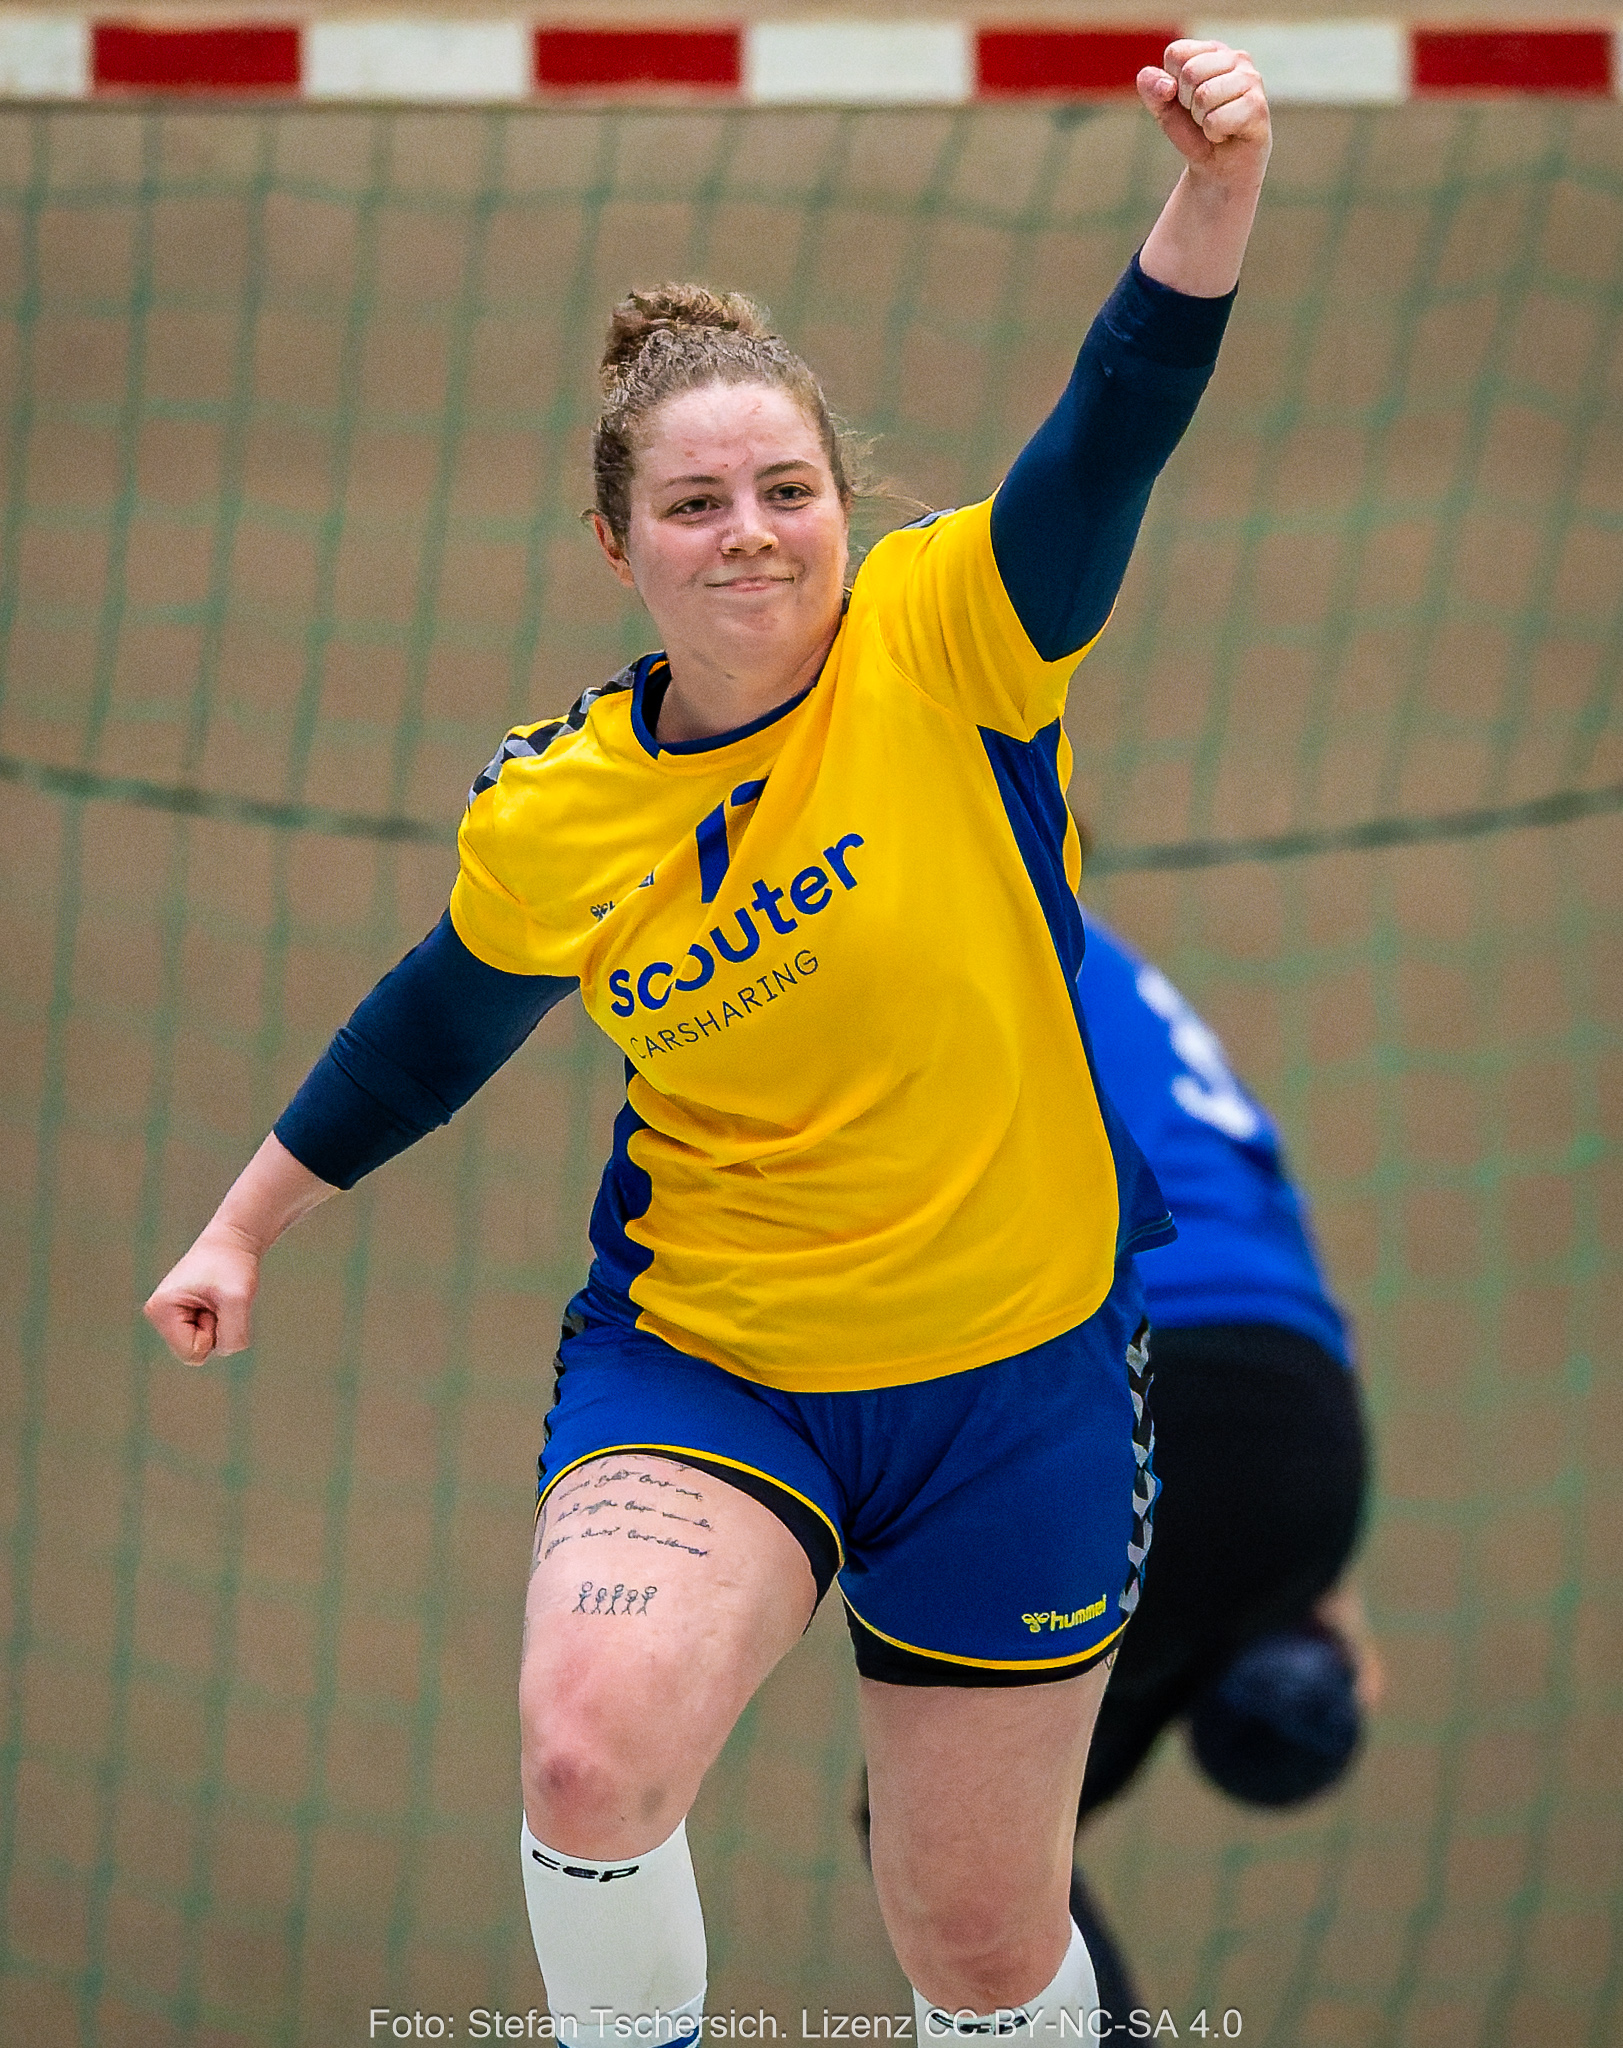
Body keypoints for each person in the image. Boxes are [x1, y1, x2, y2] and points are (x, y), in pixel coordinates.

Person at [144, 42, 1272, 2040]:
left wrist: (1213, 188)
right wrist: (243, 1223)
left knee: (976, 1942)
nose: (747, 532)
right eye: (692, 502)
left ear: (844, 506)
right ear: (621, 547)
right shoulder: (560, 806)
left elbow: (1112, 430)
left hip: (1013, 1371)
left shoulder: (951, 637)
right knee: (586, 1755)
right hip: (715, 1359)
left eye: (784, 490)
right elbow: (435, 1023)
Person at [1067, 910, 1378, 2016]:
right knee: (998, 1823)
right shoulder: (1124, 972)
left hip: (1146, 1383)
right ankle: (1274, 1670)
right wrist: (1315, 1575)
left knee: (949, 1833)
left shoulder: (976, 917)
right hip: (1311, 1429)